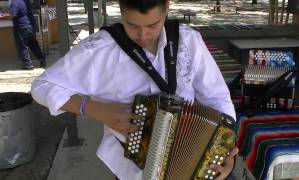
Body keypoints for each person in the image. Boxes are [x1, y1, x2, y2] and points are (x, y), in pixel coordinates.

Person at [31, 0, 238, 179]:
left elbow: (217, 97)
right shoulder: (99, 49)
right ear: (121, 10)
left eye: (153, 25)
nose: (143, 35)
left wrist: (226, 148)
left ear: (167, 6)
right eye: (132, 26)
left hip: (193, 161)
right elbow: (42, 86)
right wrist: (96, 110)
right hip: (131, 169)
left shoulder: (189, 40)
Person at [3, 0, 46, 70]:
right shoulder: (25, 1)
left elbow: (12, 16)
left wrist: (4, 16)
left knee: (22, 46)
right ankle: (42, 58)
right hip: (30, 26)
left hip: (21, 27)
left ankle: (28, 64)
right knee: (33, 44)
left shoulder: (15, 2)